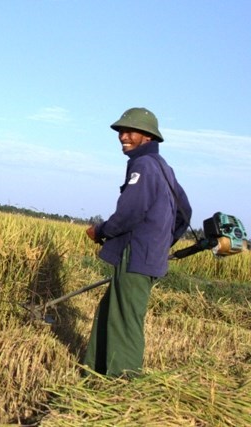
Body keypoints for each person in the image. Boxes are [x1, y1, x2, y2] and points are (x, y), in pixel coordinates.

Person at [83, 107, 192, 377]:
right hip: (147, 255)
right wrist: (162, 244)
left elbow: (130, 212)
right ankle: (93, 373)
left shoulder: (143, 166)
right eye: (121, 131)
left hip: (136, 256)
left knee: (125, 321)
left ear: (148, 137)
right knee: (109, 311)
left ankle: (124, 384)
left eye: (130, 131)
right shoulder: (163, 168)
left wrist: (102, 231)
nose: (123, 136)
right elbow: (184, 212)